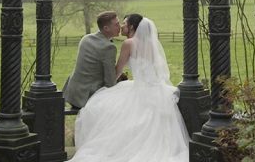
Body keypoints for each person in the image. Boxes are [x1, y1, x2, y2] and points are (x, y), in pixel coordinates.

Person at [69, 13, 189, 162]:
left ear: (132, 27)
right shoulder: (151, 45)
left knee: (102, 107)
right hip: (156, 88)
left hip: (140, 88)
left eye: (124, 23)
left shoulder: (129, 43)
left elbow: (116, 71)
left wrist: (114, 78)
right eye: (119, 24)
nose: (121, 26)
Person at [63, 11, 122, 109]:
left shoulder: (86, 38)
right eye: (116, 24)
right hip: (86, 98)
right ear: (106, 28)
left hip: (72, 93)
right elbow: (110, 82)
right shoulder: (109, 47)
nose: (120, 27)